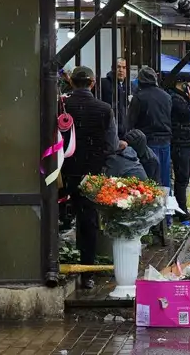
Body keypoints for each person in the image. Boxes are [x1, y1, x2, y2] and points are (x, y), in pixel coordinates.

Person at [61, 66, 118, 290]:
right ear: (93, 83)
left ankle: (52, 265)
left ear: (72, 83)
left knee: (56, 218)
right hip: (91, 173)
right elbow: (112, 145)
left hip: (61, 173)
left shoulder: (63, 106)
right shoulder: (104, 109)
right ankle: (87, 273)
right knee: (88, 222)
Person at [127, 67, 172, 188]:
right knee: (164, 178)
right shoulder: (166, 96)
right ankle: (167, 202)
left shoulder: (139, 97)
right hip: (165, 142)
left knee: (150, 180)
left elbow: (130, 121)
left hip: (147, 142)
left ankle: (153, 205)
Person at [168, 79, 190, 215]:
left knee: (185, 177)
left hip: (186, 142)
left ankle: (182, 209)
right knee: (182, 177)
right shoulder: (176, 99)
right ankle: (181, 211)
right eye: (189, 86)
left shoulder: (182, 99)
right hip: (181, 143)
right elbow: (186, 115)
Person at [100, 57, 129, 138]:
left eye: (124, 67)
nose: (121, 70)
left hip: (125, 131)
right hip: (108, 129)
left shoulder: (130, 87)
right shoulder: (103, 83)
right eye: (118, 67)